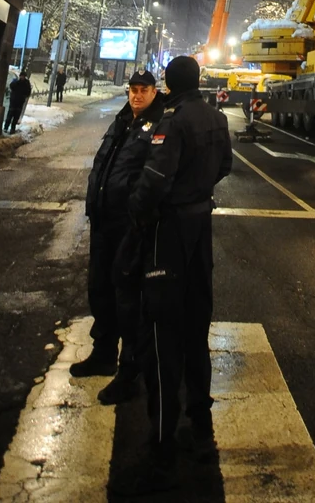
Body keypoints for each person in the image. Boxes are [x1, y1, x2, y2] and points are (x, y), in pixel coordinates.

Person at [113, 56, 232, 497]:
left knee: (162, 333)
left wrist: (138, 216)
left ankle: (162, 445)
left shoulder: (173, 122)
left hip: (170, 232)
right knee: (197, 326)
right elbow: (226, 167)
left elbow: (154, 180)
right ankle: (201, 426)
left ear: (169, 84)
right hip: (201, 230)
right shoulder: (217, 119)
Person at [70, 70, 166, 401]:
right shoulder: (123, 120)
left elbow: (154, 176)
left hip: (129, 225)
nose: (137, 95)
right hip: (104, 220)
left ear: (155, 92)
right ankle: (104, 352)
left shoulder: (159, 125)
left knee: (130, 299)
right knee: (100, 288)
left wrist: (135, 211)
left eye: (143, 90)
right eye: (133, 90)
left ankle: (130, 368)